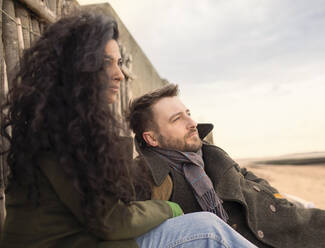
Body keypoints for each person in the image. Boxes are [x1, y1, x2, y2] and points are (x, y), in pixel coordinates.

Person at [0, 12, 259, 248]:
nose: (119, 74)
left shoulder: (64, 123)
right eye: (106, 63)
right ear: (76, 68)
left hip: (82, 239)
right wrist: (168, 208)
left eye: (119, 62)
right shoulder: (63, 131)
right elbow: (111, 221)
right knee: (208, 229)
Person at [126, 83, 325, 248]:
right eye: (177, 119)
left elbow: (245, 176)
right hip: (249, 239)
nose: (192, 122)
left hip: (281, 223)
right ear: (152, 138)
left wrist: (274, 196)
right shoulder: (144, 174)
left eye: (188, 113)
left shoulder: (207, 154)